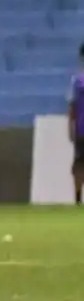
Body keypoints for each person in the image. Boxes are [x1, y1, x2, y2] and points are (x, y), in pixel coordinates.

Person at [68, 43, 84, 204]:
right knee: (79, 164)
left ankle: (78, 197)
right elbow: (72, 105)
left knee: (79, 164)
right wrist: (70, 126)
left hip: (81, 128)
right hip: (81, 128)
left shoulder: (76, 81)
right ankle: (78, 197)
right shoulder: (77, 81)